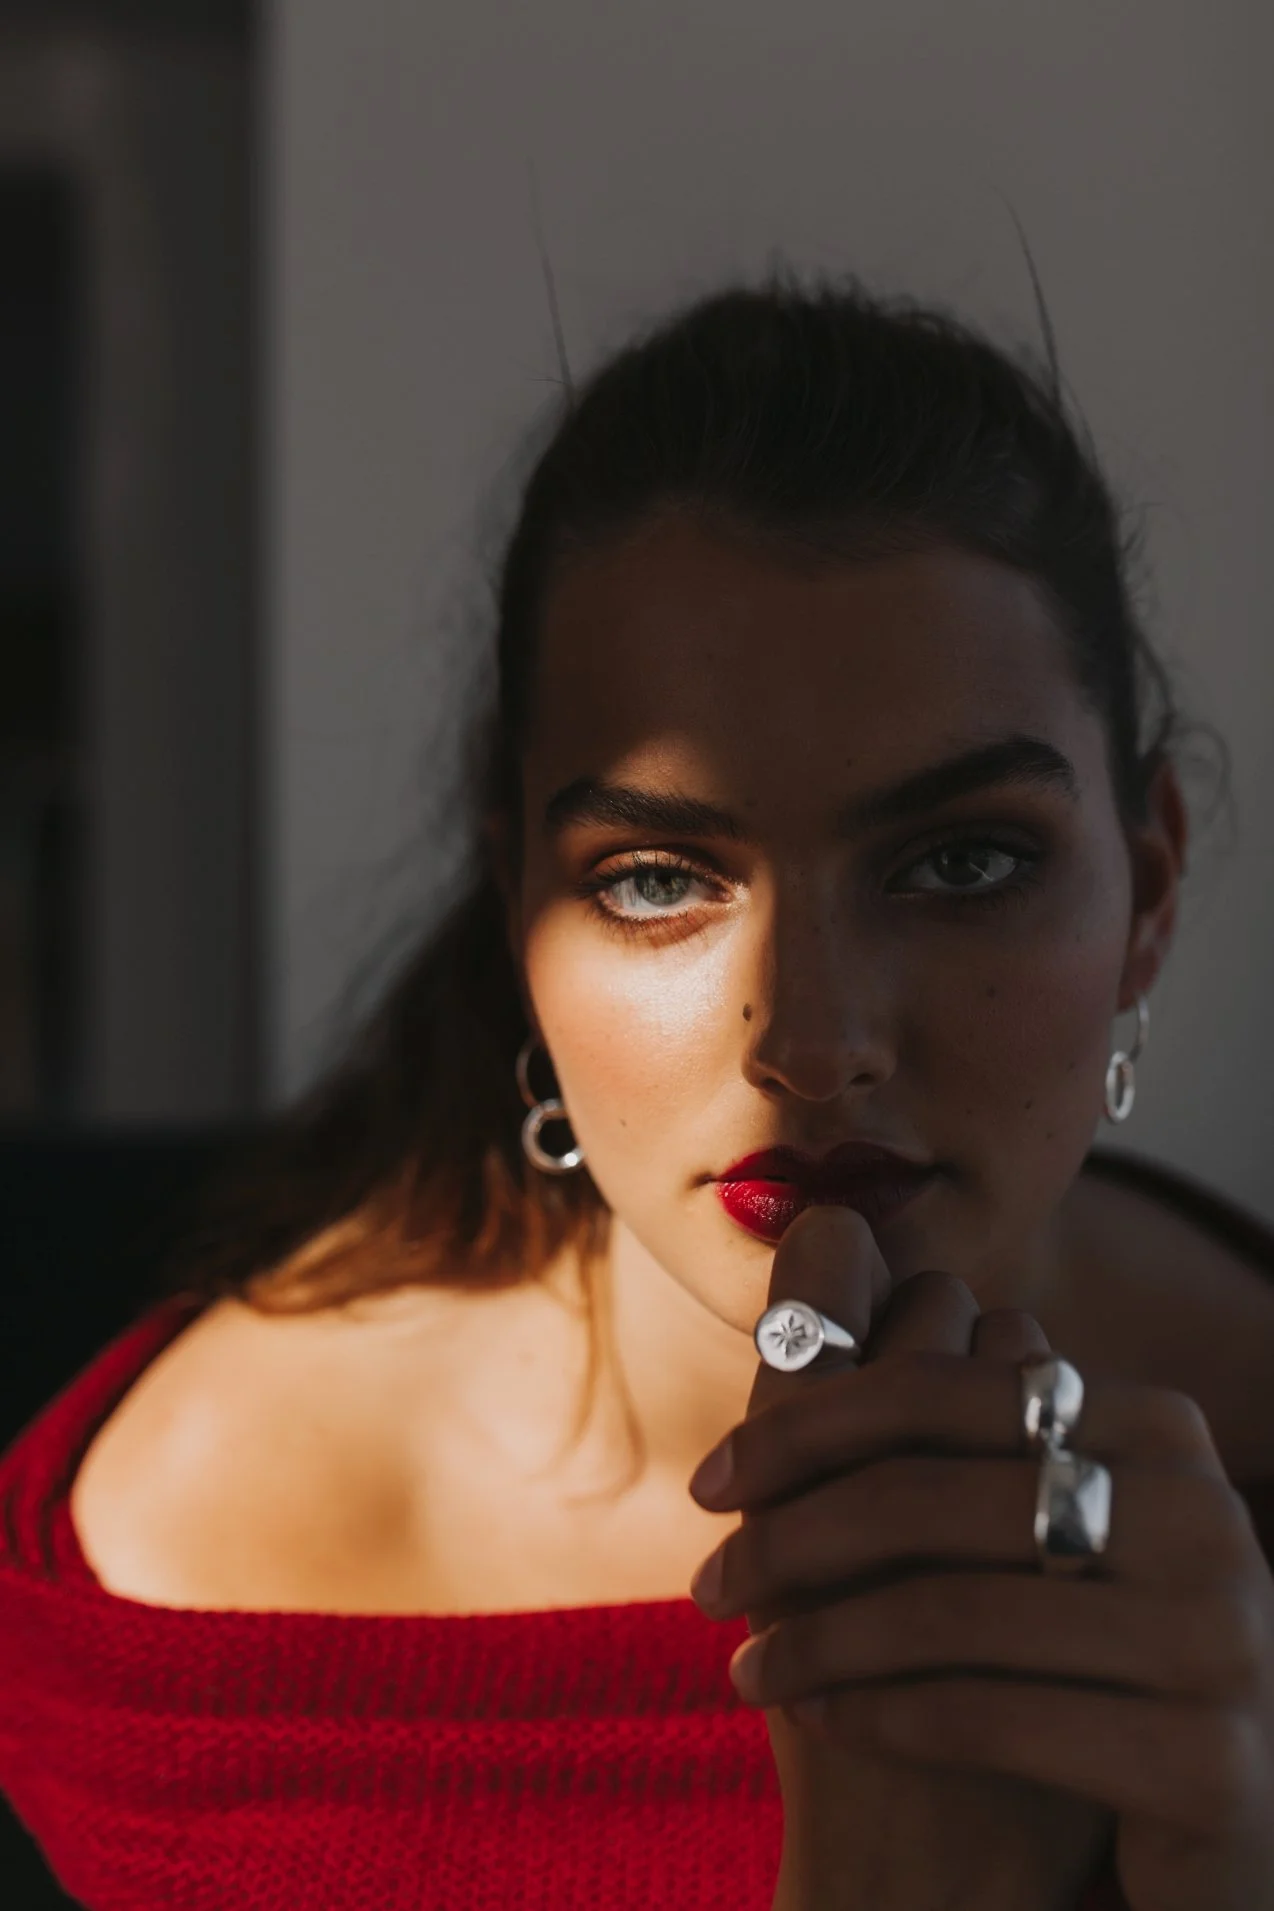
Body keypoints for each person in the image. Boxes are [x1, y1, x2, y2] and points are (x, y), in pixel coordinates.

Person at [2, 264, 1273, 1911]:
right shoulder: (215, 1600)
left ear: (1147, 888)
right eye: (660, 875)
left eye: (960, 862)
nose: (810, 1043)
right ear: (513, 908)